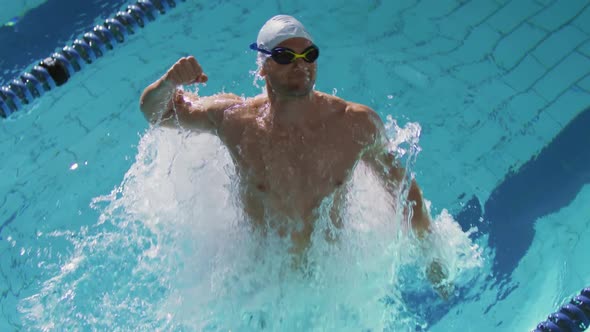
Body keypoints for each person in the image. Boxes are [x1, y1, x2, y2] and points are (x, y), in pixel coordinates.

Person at [140, 15, 448, 296]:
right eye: (285, 57)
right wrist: (169, 83)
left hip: (332, 284)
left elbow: (403, 189)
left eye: (309, 55)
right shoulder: (234, 120)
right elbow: (156, 113)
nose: (301, 65)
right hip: (262, 284)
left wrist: (430, 254)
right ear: (262, 66)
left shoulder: (355, 125)